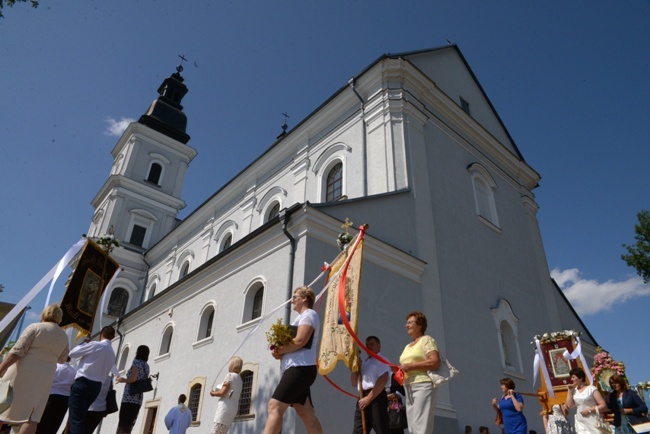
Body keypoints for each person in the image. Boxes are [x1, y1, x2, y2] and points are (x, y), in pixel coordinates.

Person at [0, 305, 69, 434]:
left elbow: (17, 351)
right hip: (45, 378)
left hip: (22, 372)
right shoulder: (64, 336)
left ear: (44, 314)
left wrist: (1, 367)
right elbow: (63, 359)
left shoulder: (35, 327)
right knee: (32, 417)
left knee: (2, 407)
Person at [263, 286, 322, 434]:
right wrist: (279, 353)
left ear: (304, 298)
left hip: (300, 369)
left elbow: (300, 340)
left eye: (294, 296)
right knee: (305, 412)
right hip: (298, 368)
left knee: (274, 406)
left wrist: (281, 349)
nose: (292, 300)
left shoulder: (309, 314)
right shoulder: (299, 318)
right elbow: (295, 345)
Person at [67, 325, 119, 434]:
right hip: (96, 387)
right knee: (80, 417)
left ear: (101, 335)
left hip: (83, 382)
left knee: (76, 419)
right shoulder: (112, 354)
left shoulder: (95, 345)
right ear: (113, 337)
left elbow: (72, 353)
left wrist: (85, 343)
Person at [397, 311, 440, 434]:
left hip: (423, 384)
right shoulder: (407, 346)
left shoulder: (426, 340)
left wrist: (411, 366)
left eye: (410, 322)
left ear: (420, 325)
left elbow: (435, 362)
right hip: (409, 386)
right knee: (412, 428)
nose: (407, 325)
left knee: (421, 426)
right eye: (406, 323)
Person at [351, 336, 391, 434]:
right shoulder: (365, 362)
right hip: (362, 396)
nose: (369, 347)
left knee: (381, 428)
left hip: (375, 397)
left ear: (379, 345)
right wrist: (355, 368)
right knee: (358, 430)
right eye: (367, 345)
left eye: (372, 344)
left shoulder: (382, 360)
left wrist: (368, 399)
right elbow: (354, 383)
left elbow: (383, 380)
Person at [35, 357, 77, 434]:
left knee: (43, 421)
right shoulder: (73, 371)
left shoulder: (55, 366)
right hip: (65, 399)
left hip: (51, 395)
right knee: (55, 422)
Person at [115, 345, 150, 434]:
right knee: (129, 424)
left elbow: (133, 379)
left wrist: (122, 380)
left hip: (129, 397)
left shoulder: (136, 362)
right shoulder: (146, 366)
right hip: (138, 398)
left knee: (123, 423)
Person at [564, 367, 607, 433]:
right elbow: (570, 406)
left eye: (573, 377)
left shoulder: (591, 389)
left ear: (580, 378)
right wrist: (569, 391)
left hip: (593, 420)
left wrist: (589, 410)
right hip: (581, 422)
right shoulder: (574, 391)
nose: (571, 379)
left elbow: (603, 405)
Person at [209, 356, 243, 434]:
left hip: (225, 407)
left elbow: (223, 392)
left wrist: (213, 393)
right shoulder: (239, 379)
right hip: (233, 408)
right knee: (222, 431)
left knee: (216, 431)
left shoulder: (230, 375)